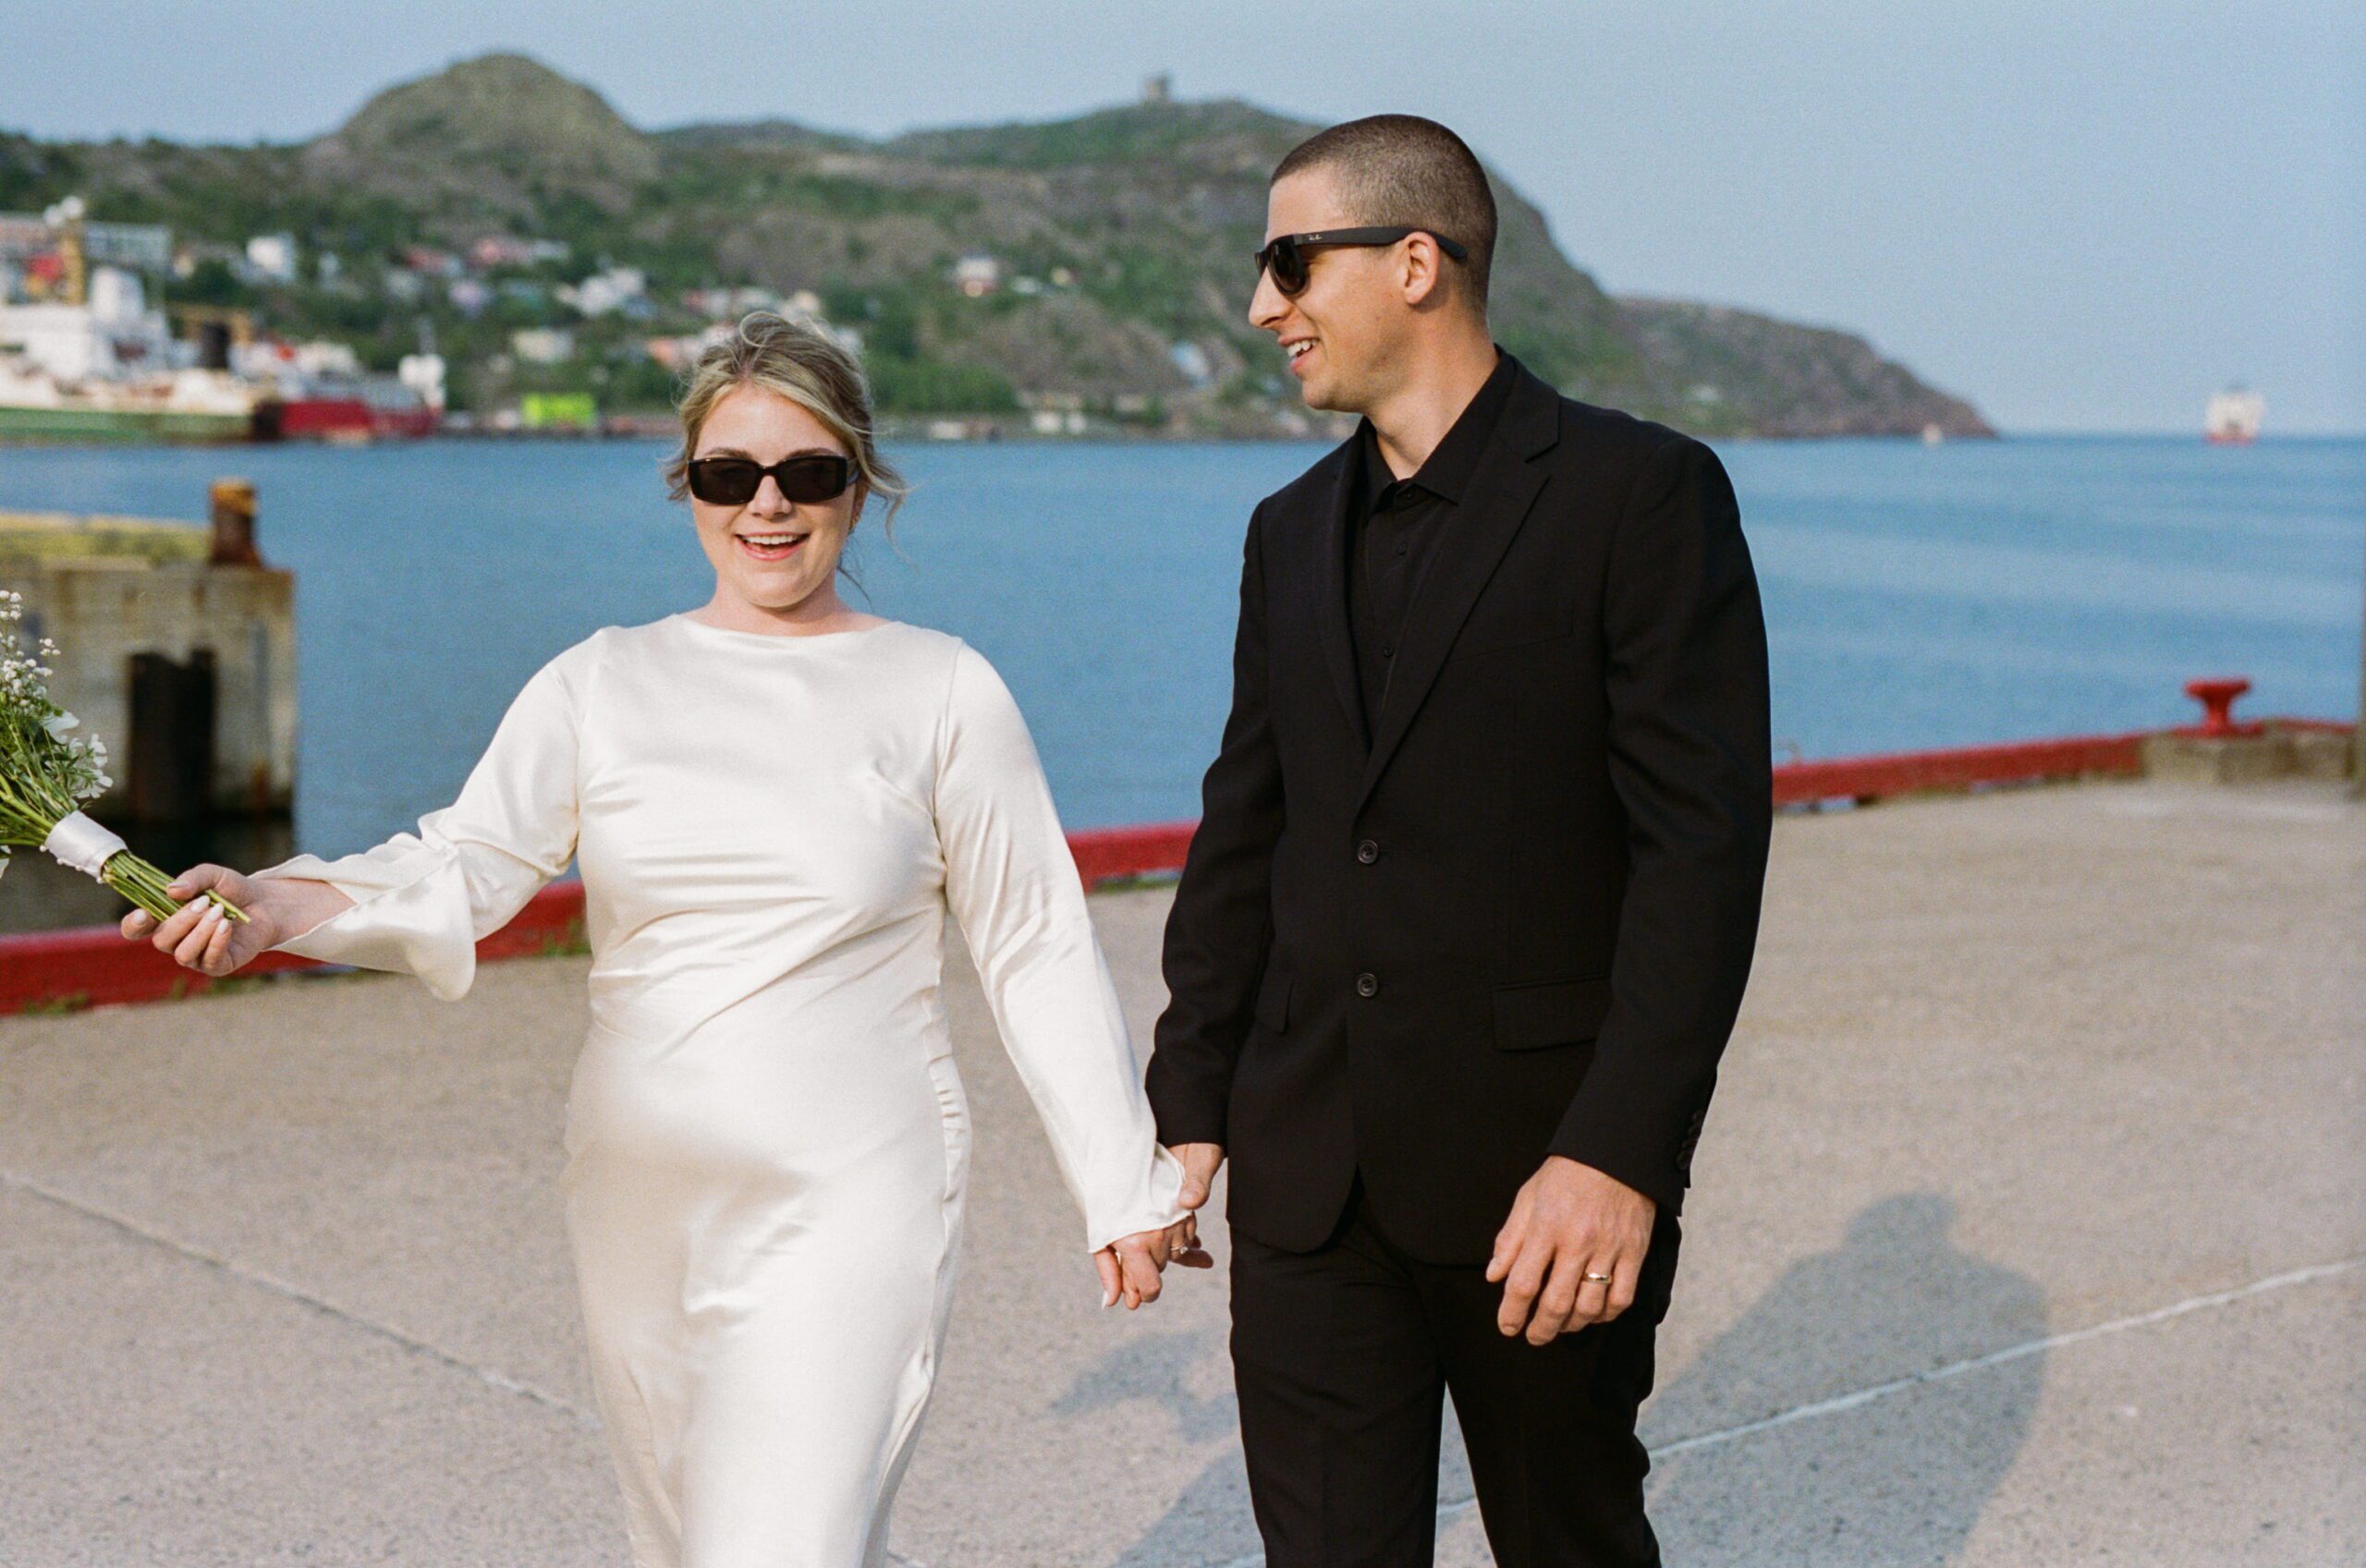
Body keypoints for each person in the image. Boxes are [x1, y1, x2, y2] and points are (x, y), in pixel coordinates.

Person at [122, 311, 1201, 1568]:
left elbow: (1034, 940)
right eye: (727, 474)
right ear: (686, 483)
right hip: (638, 1194)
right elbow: (464, 859)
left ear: (862, 482)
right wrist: (276, 906)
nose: (768, 507)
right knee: (694, 1542)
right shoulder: (602, 680)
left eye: (809, 473)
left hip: (853, 1193)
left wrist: (1119, 1183)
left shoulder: (942, 688)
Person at [1147, 116, 1773, 1567]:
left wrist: (1619, 1153)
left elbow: (1702, 856)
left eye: (1290, 261)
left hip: (1539, 1188)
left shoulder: (1642, 495)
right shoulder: (1285, 532)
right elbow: (1246, 835)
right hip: (1309, 1189)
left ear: (1416, 262)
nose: (1264, 306)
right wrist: (1189, 1104)